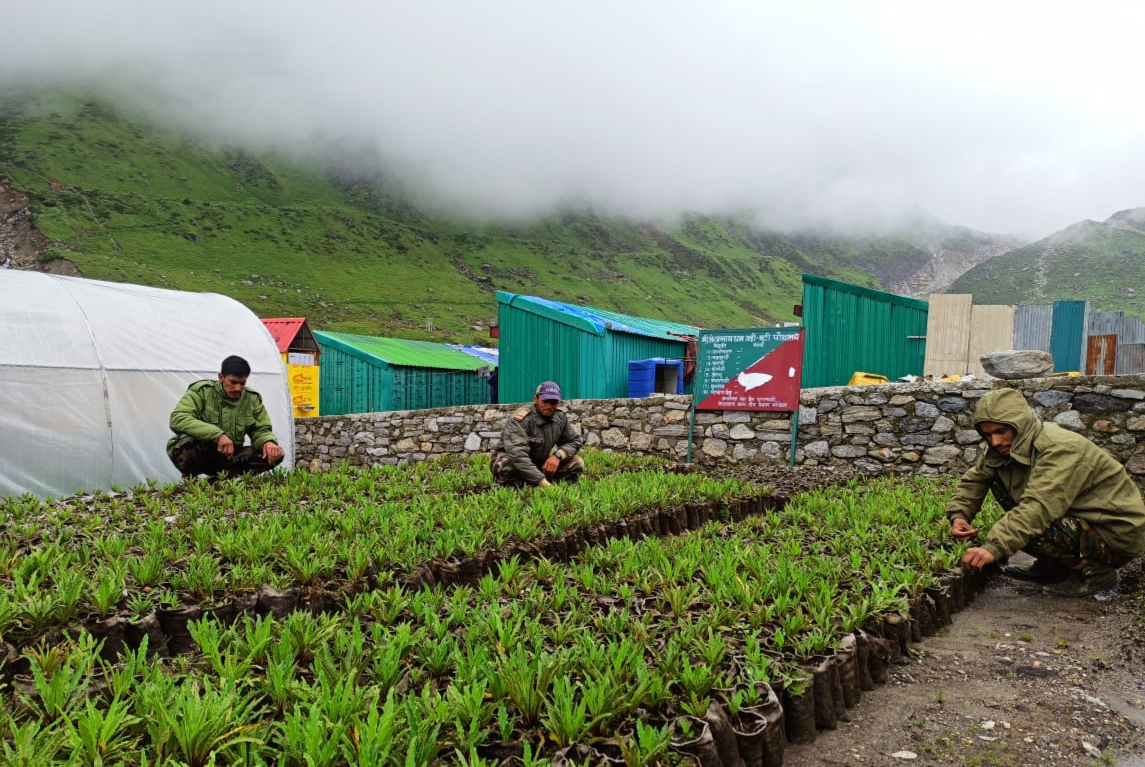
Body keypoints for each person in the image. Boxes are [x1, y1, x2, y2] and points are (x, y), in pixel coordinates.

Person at [947, 388, 1145, 597]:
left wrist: (993, 547)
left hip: (1115, 534)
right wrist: (959, 515)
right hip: (1084, 520)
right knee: (1002, 487)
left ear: (1020, 425)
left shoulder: (1059, 448)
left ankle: (1096, 573)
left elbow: (1039, 507)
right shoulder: (1007, 449)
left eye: (1000, 431)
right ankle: (1054, 567)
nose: (995, 441)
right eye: (988, 434)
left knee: (1032, 525)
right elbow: (975, 479)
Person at [167, 355, 285, 480]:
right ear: (221, 377)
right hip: (202, 455)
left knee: (276, 452)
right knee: (186, 442)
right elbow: (178, 418)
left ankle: (221, 482)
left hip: (230, 457)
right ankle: (191, 480)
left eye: (242, 383)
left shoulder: (251, 399)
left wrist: (268, 442)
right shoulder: (202, 392)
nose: (238, 388)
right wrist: (217, 435)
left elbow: (261, 429)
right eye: (233, 382)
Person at [491, 380, 584, 488]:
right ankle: (517, 489)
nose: (549, 406)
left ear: (558, 403)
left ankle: (553, 489)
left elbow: (574, 441)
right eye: (545, 401)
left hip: (538, 463)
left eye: (553, 402)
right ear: (535, 399)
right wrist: (544, 484)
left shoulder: (560, 418)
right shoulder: (520, 420)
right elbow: (518, 456)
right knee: (506, 466)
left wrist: (558, 456)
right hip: (515, 462)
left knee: (577, 462)